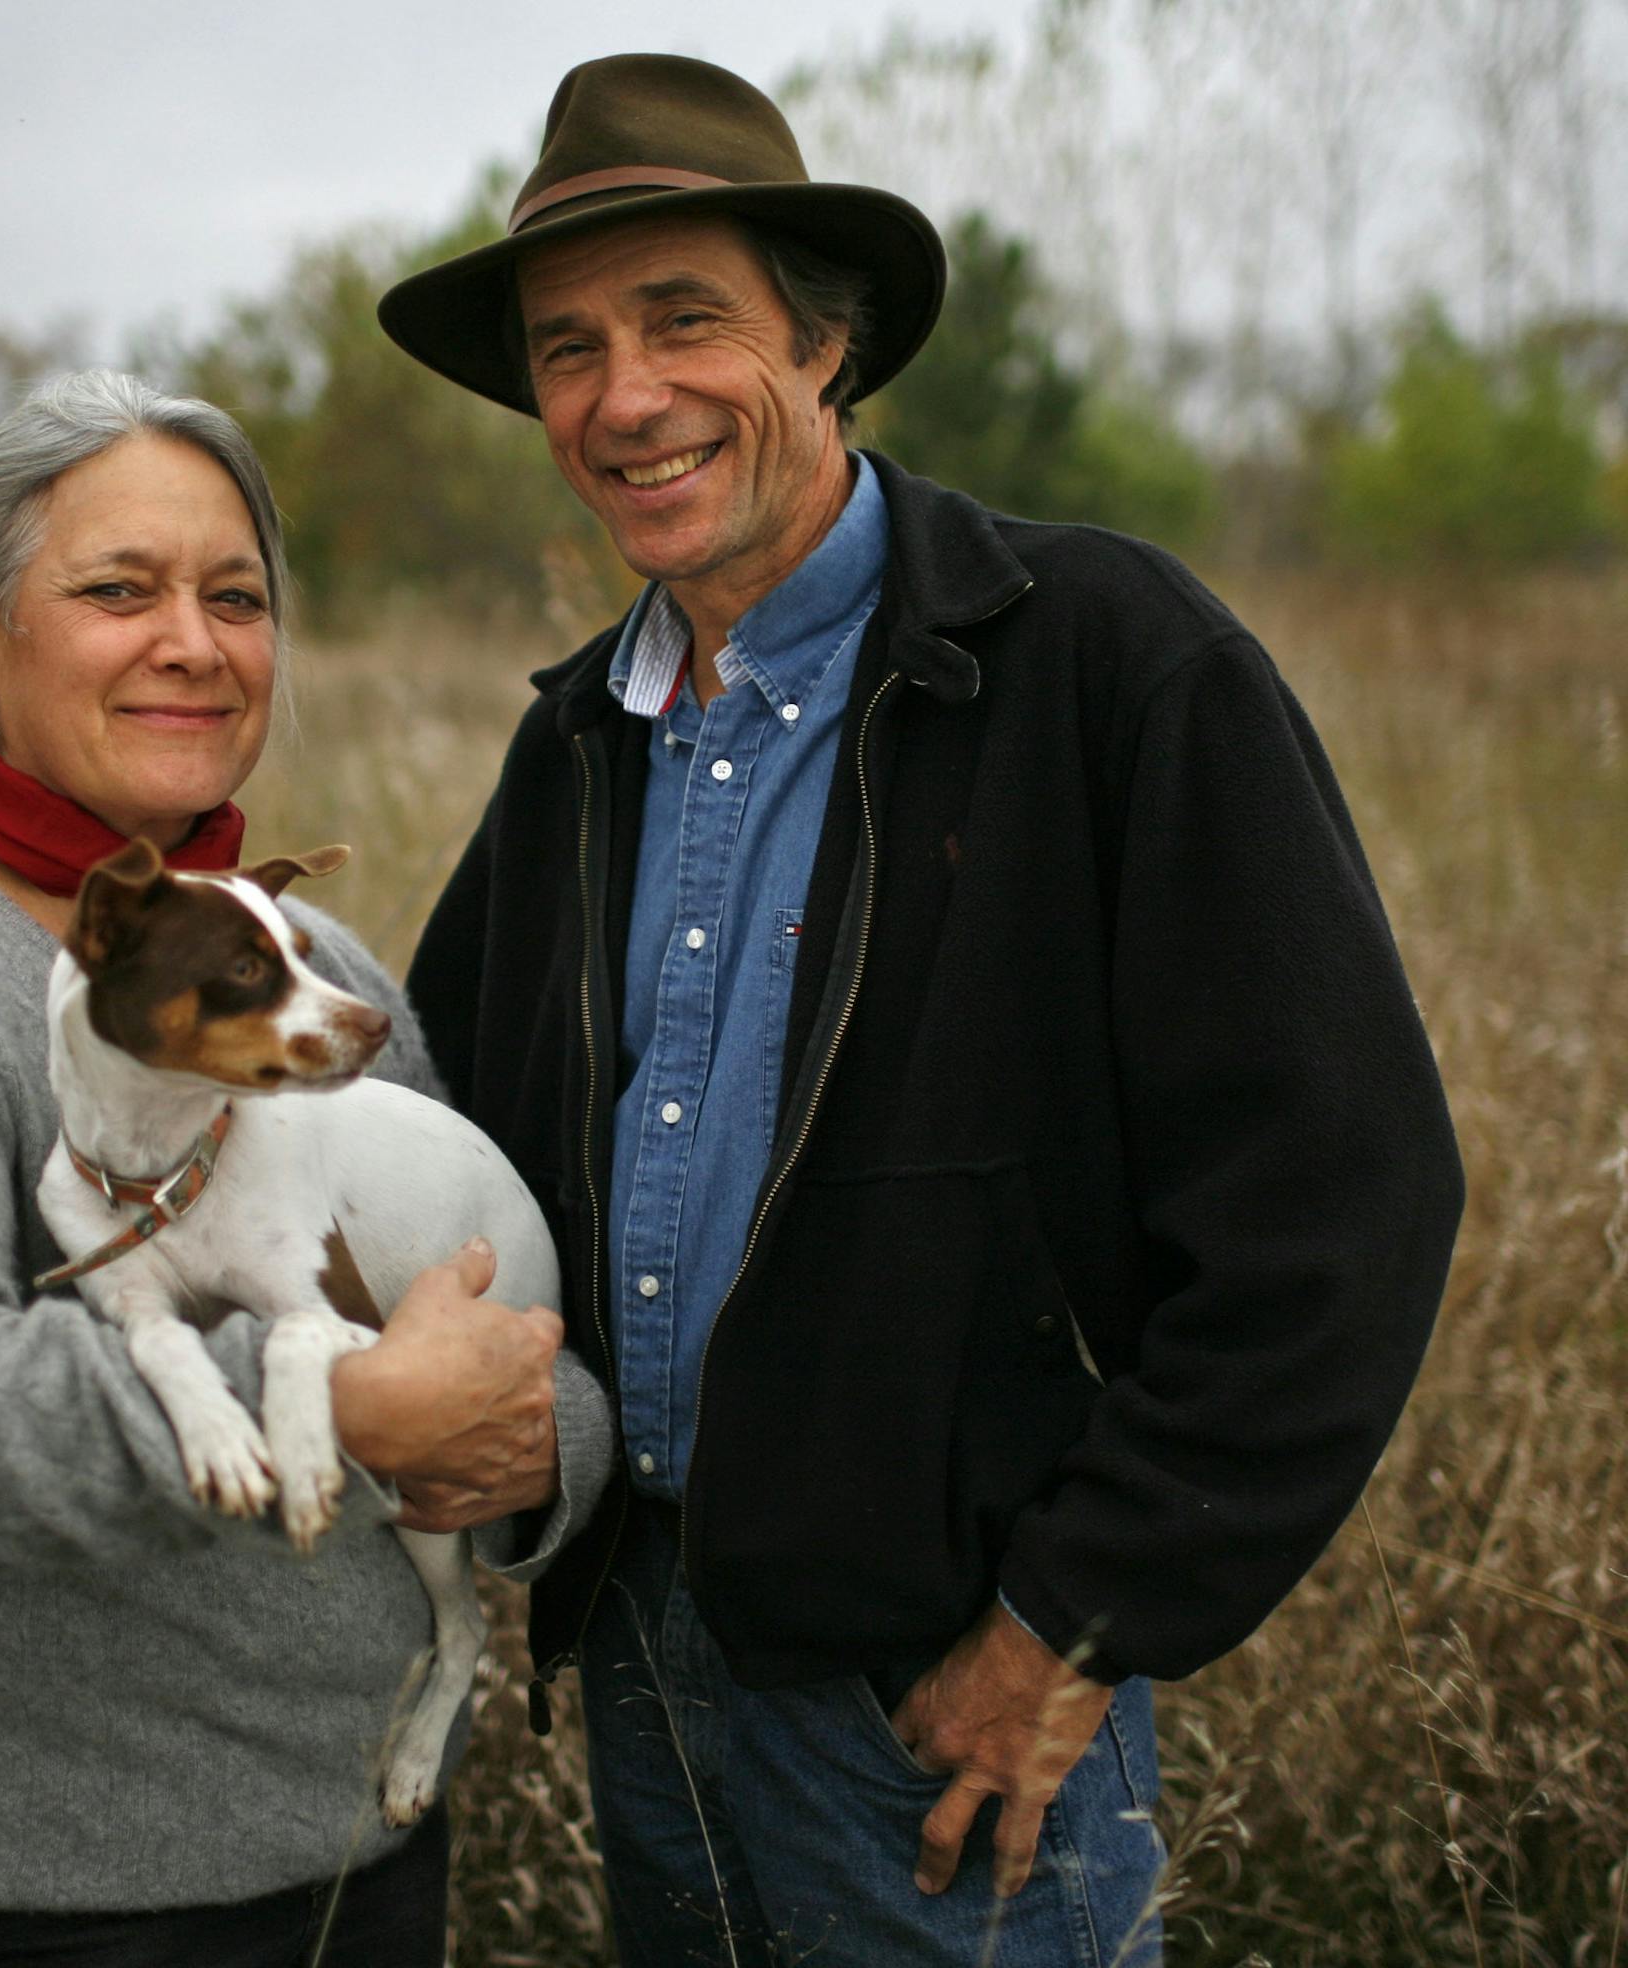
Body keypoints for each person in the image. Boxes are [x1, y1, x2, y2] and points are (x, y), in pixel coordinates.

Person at [382, 52, 1464, 1967]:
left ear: (825, 339)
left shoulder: (1105, 664)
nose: (623, 397)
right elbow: (450, 1152)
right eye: (567, 349)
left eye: (683, 320)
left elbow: (1345, 1202)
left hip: (948, 1709)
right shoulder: (575, 747)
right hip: (644, 1667)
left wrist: (1072, 1624)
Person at [0, 368, 612, 1966]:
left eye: (236, 596)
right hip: (36, 1897)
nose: (192, 640)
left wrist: (542, 1441)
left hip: (355, 1854)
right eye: (119, 591)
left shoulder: (305, 969)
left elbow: (458, 1294)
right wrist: (334, 1401)